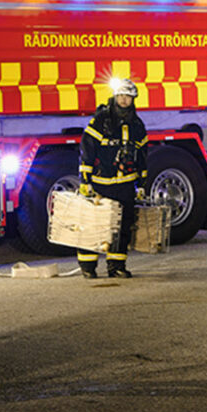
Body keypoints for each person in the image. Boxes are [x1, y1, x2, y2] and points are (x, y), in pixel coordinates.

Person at [77, 76, 149, 278]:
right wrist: (85, 181)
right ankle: (88, 267)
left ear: (133, 99)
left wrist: (142, 184)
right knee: (94, 225)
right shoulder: (101, 120)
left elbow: (142, 156)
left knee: (122, 227)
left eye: (128, 96)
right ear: (115, 97)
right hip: (101, 184)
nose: (124, 100)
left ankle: (116, 267)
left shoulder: (137, 124)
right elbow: (87, 151)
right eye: (121, 96)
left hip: (125, 185)